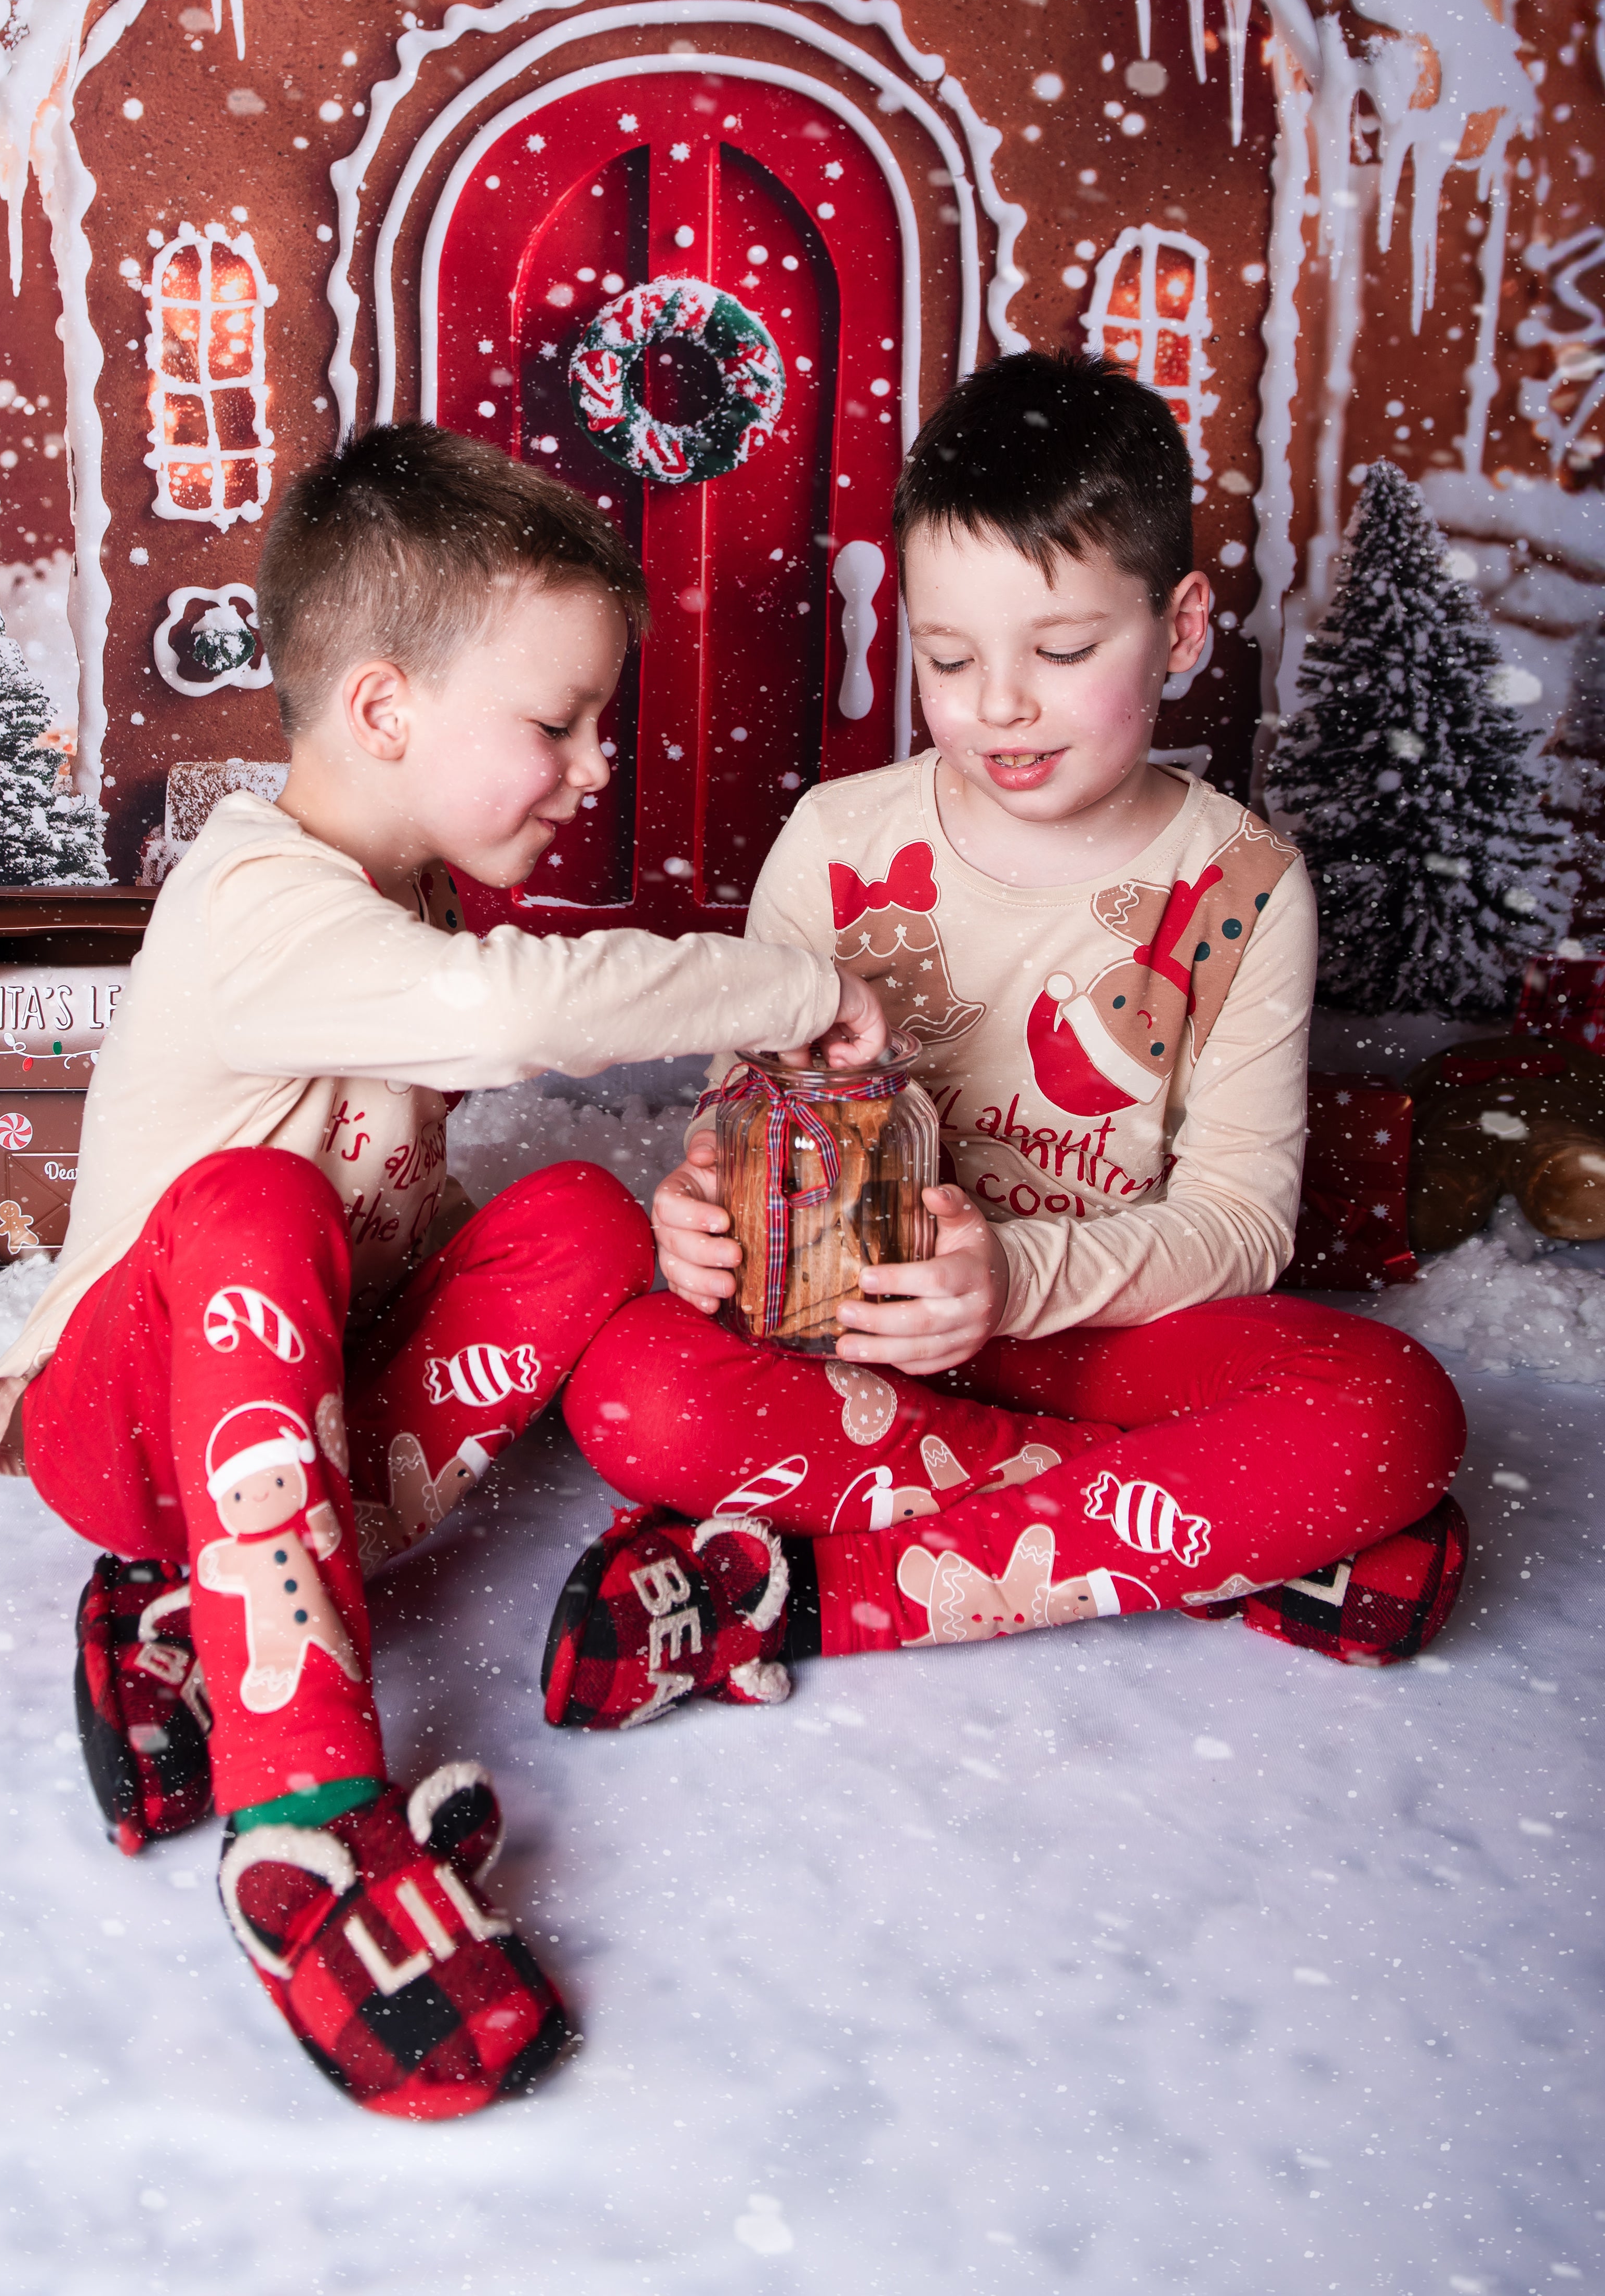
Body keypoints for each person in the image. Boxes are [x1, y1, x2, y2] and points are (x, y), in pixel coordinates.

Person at [0, 423, 886, 2121]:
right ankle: (305, 1823)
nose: (597, 766)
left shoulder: (410, 904)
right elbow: (526, 1022)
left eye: (598, 723)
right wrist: (787, 988)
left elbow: (441, 1135)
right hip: (123, 1424)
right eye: (556, 724)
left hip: (295, 1441)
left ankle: (215, 1615)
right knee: (251, 1200)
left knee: (578, 1219)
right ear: (386, 711)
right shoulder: (255, 893)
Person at [541, 352, 1469, 1733]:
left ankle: (801, 1590)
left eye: (1064, 651)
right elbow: (748, 1122)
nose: (1001, 706)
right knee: (633, 1391)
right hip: (846, 1339)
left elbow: (1239, 1226)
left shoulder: (1245, 888)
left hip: (1096, 1338)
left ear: (1182, 626)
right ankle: (1178, 1530)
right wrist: (706, 1217)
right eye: (950, 656)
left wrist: (1015, 1280)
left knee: (1393, 1413)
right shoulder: (840, 844)